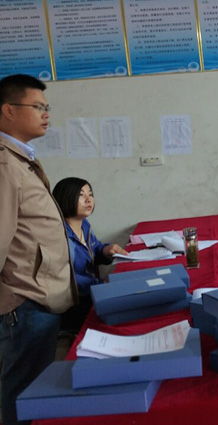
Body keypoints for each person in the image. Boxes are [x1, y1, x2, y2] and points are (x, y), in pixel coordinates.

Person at [0, 74, 77, 425]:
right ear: (8, 111)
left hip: (37, 297)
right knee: (24, 393)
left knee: (34, 390)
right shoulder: (4, 165)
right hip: (24, 300)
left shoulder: (19, 158)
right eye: (37, 107)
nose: (46, 114)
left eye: (47, 107)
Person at [52, 177, 128, 333]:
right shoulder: (59, 235)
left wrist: (105, 251)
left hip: (92, 291)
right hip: (74, 303)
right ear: (65, 198)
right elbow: (65, 278)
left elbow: (94, 249)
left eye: (90, 194)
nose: (89, 200)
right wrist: (100, 284)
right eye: (81, 195)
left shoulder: (84, 224)